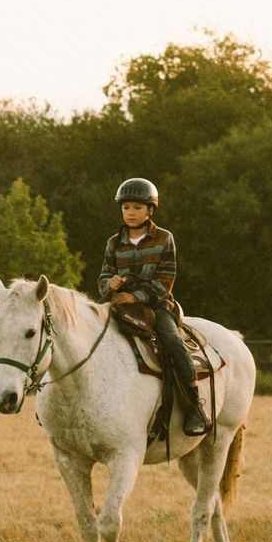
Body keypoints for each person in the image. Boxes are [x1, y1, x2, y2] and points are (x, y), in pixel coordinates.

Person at [97, 177, 211, 442]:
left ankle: (195, 406)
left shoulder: (164, 239)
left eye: (138, 207)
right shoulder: (114, 243)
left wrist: (134, 296)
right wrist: (108, 284)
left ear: (150, 210)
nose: (131, 213)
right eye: (126, 208)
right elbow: (104, 276)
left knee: (171, 340)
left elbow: (165, 281)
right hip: (119, 304)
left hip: (156, 306)